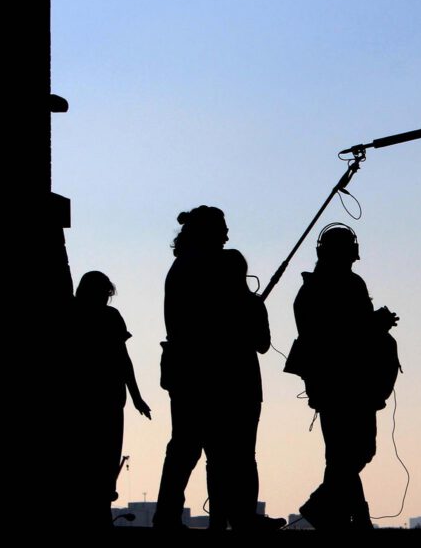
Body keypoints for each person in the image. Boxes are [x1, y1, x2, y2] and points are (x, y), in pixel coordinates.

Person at [153, 205, 284, 531]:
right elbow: (258, 340)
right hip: (220, 377)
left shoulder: (183, 266)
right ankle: (233, 518)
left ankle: (184, 517)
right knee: (225, 453)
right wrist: (250, 306)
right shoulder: (210, 269)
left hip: (190, 374)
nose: (227, 235)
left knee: (191, 449)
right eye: (221, 229)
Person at [292, 223, 399, 530]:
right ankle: (336, 512)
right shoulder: (318, 290)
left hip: (353, 382)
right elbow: (336, 337)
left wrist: (374, 325)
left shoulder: (346, 284)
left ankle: (338, 515)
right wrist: (375, 325)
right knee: (348, 454)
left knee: (349, 455)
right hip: (339, 383)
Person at [70, 271, 151, 526]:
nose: (106, 298)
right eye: (105, 293)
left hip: (95, 399)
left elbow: (123, 360)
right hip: (106, 399)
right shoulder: (109, 317)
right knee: (104, 456)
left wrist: (136, 397)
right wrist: (136, 396)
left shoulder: (73, 313)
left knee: (93, 457)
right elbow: (123, 360)